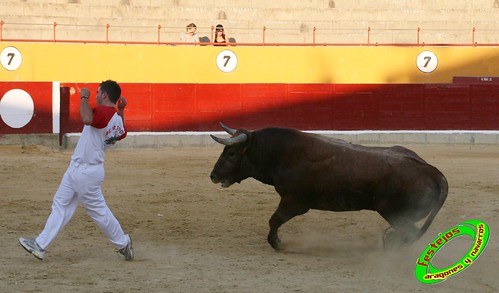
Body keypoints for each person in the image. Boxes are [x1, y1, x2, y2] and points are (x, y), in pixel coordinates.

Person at [18, 80, 134, 261]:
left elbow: (87, 119)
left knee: (98, 211)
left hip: (86, 171)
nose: (95, 95)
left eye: (98, 92)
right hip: (81, 169)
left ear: (104, 95)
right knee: (60, 204)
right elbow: (121, 132)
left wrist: (84, 97)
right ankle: (40, 245)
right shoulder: (115, 117)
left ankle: (123, 242)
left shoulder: (103, 111)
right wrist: (121, 110)